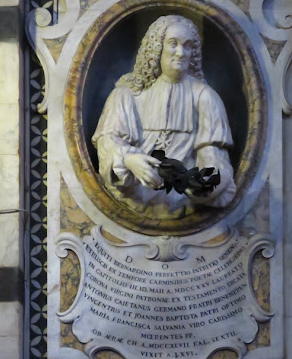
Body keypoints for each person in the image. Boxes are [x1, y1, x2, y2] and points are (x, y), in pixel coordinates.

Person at [92, 15, 236, 219]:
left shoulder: (205, 97)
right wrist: (128, 159)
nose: (181, 52)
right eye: (173, 44)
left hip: (182, 203)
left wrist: (204, 185)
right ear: (157, 47)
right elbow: (108, 144)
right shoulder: (126, 96)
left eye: (187, 46)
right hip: (132, 197)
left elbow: (214, 159)